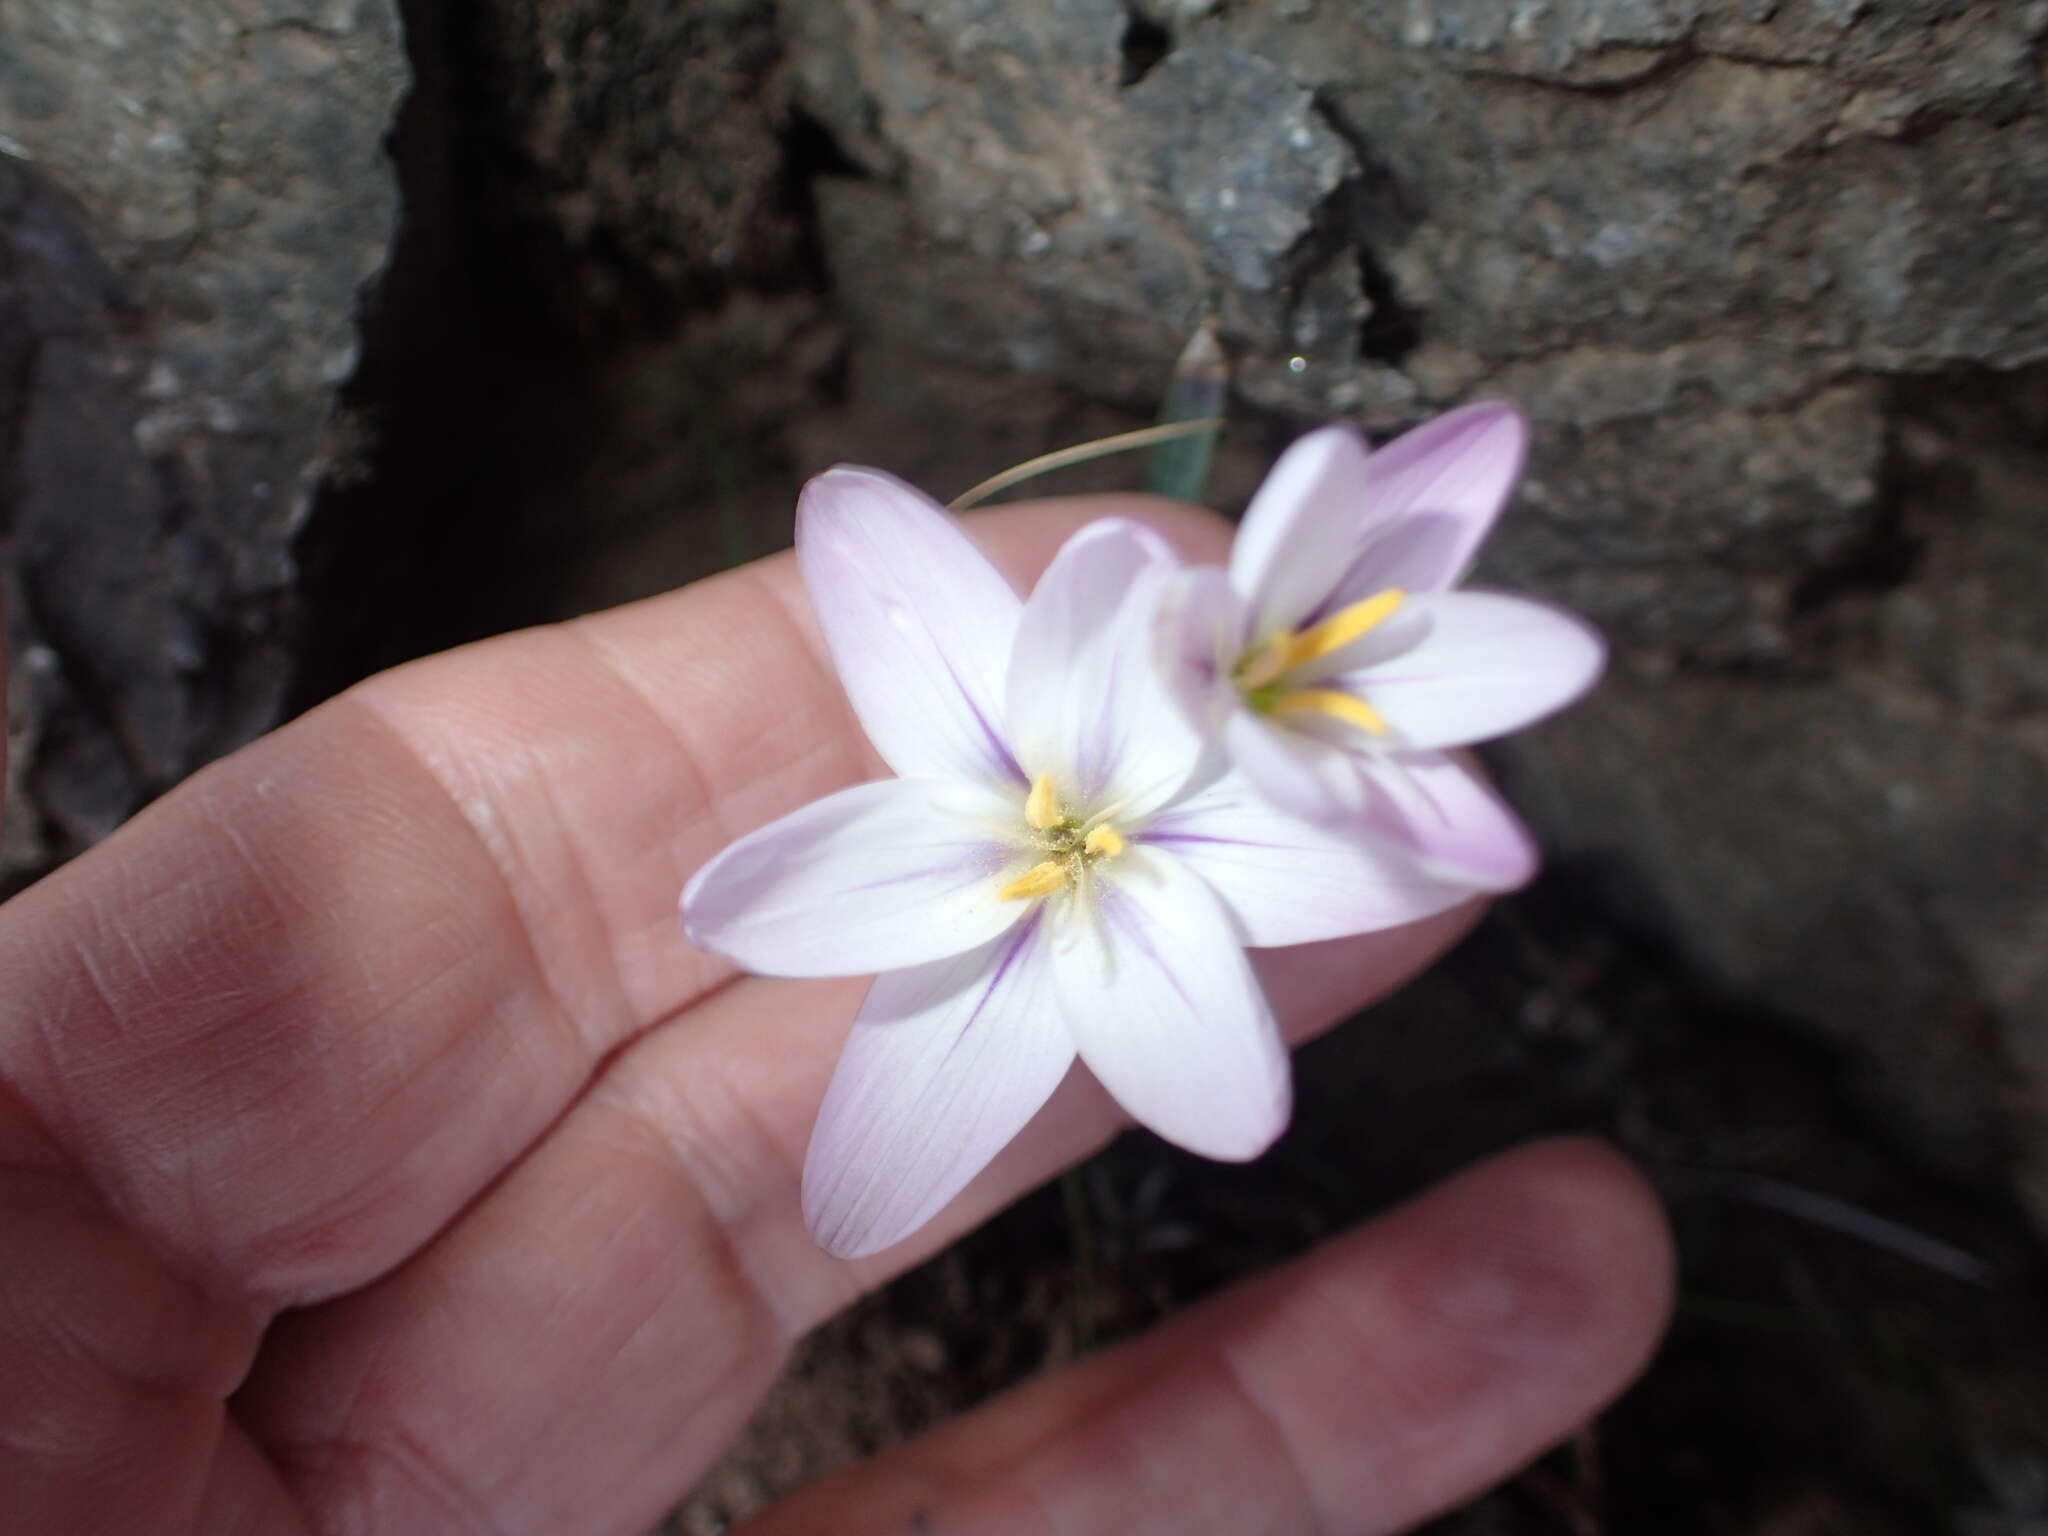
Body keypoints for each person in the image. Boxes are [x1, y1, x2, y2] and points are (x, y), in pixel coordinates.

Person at [0, 493, 1672, 1534]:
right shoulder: (1099, 748)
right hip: (1066, 864)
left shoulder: (1171, 723)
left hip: (1113, 842)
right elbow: (771, 872)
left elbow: (1238, 971)